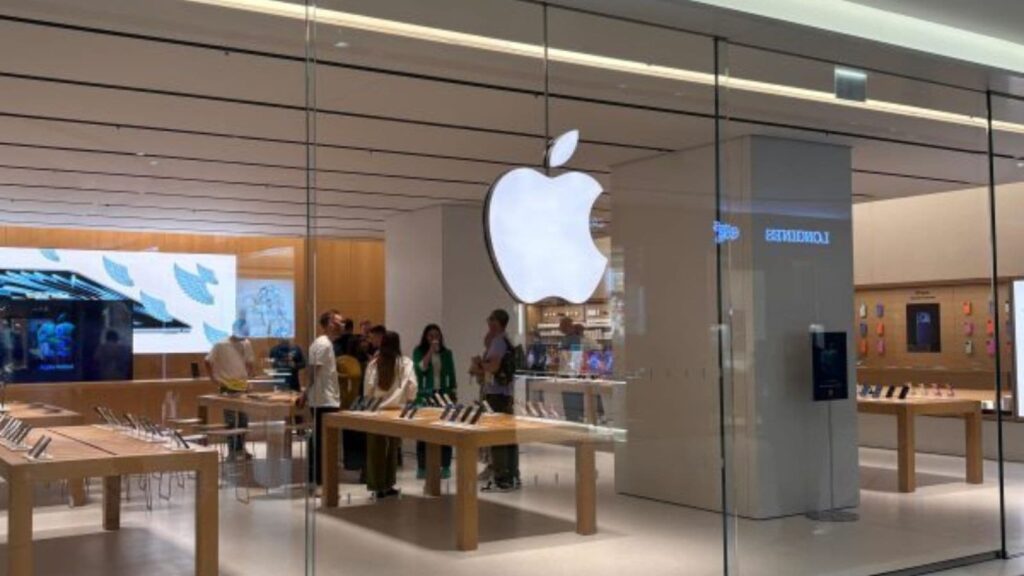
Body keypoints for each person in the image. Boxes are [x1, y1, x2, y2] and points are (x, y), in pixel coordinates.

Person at [363, 331, 417, 498]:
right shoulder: (405, 363)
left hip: (377, 410)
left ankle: (377, 486)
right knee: (392, 449)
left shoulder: (374, 364)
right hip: (397, 411)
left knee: (375, 449)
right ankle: (389, 484)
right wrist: (408, 401)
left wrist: (368, 405)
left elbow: (368, 389)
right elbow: (412, 386)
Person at [470, 309, 519, 491]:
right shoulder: (505, 340)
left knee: (497, 434)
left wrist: (478, 365)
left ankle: (501, 478)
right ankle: (512, 475)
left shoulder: (498, 341)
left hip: (496, 395)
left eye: (490, 320)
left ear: (495, 322)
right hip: (505, 394)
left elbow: (494, 366)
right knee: (508, 435)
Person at [205, 318, 255, 460]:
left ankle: (241, 449)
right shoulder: (221, 344)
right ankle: (233, 451)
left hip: (243, 387)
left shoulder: (246, 344)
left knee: (244, 420)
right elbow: (208, 361)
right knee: (232, 421)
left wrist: (249, 377)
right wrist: (214, 379)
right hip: (228, 387)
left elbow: (250, 363)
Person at [412, 324, 456, 479]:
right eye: (430, 335)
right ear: (425, 337)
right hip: (426, 395)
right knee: (423, 432)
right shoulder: (418, 351)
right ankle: (422, 467)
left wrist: (453, 392)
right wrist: (430, 351)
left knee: (446, 431)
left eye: (437, 335)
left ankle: (445, 466)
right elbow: (421, 369)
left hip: (443, 395)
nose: (434, 339)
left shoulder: (447, 353)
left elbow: (451, 373)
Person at [306, 309, 343, 485]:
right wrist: (305, 393)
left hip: (325, 398)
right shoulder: (323, 344)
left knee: (321, 441)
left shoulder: (326, 343)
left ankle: (318, 479)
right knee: (322, 442)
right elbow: (313, 371)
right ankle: (319, 480)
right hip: (323, 400)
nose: (342, 326)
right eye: (338, 322)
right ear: (329, 324)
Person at [337, 338, 366, 472]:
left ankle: (359, 463)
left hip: (362, 399)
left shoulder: (367, 359)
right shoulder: (344, 360)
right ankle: (352, 462)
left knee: (360, 434)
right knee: (350, 433)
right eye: (362, 341)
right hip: (349, 400)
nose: (365, 344)